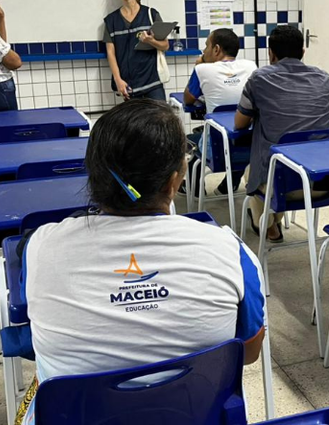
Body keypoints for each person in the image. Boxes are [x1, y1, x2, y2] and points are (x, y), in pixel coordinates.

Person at [18, 100, 266, 424]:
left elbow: (35, 331)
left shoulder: (40, 247)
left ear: (93, 176)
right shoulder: (228, 250)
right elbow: (248, 352)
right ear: (173, 181)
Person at [235, 26, 329, 242]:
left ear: (270, 53)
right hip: (325, 182)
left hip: (284, 186)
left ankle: (267, 226)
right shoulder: (324, 78)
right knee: (279, 166)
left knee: (253, 172)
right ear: (303, 51)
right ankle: (272, 222)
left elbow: (239, 123)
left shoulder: (259, 79)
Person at [184, 28, 257, 195]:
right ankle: (228, 186)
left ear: (216, 49)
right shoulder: (250, 66)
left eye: (206, 46)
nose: (204, 51)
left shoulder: (202, 70)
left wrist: (200, 64)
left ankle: (195, 189)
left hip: (216, 151)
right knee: (238, 135)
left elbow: (188, 100)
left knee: (188, 141)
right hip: (250, 148)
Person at [104, 0, 170, 101]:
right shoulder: (111, 20)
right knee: (134, 121)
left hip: (152, 83)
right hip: (128, 85)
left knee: (160, 119)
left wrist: (151, 41)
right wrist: (118, 80)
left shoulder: (150, 14)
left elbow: (165, 45)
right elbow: (110, 53)